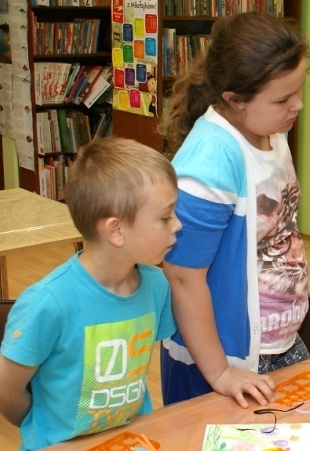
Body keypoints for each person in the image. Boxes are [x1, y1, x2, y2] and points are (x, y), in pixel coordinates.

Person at [159, 11, 310, 409]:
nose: (298, 105)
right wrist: (220, 372)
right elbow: (183, 279)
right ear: (235, 100)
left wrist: (288, 279)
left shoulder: (271, 129)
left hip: (274, 340)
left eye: (299, 90)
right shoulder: (209, 165)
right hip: (225, 357)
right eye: (284, 98)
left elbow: (273, 225)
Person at [0, 138, 180, 450]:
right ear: (116, 231)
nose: (177, 225)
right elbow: (7, 391)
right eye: (165, 217)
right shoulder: (48, 303)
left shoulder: (157, 286)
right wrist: (48, 430)